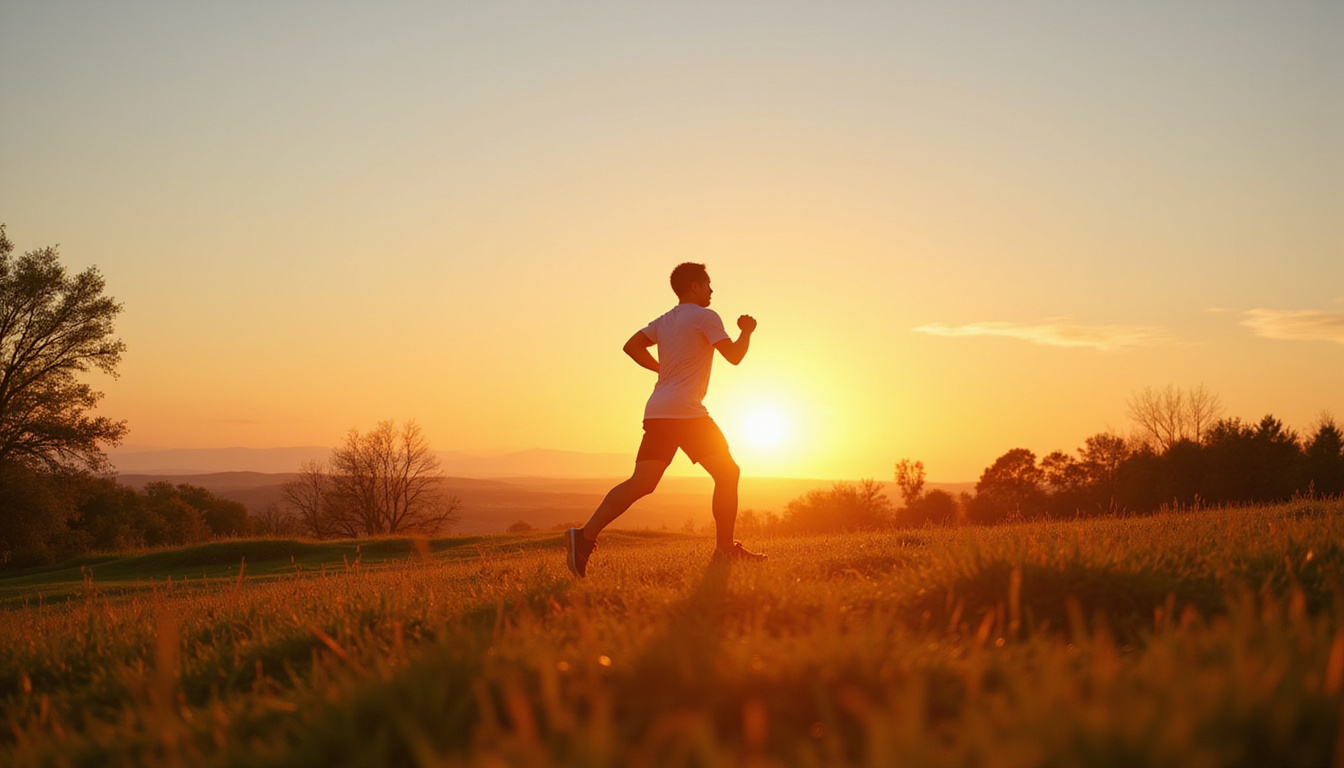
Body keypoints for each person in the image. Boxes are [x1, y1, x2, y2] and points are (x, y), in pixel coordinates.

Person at [566, 263, 767, 578]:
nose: (712, 290)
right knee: (728, 473)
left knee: (642, 483)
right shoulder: (706, 317)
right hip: (686, 412)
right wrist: (746, 331)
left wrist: (662, 371)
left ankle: (585, 536)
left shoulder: (666, 320)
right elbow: (734, 356)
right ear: (694, 286)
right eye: (708, 284)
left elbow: (631, 346)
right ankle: (725, 551)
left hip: (659, 410)